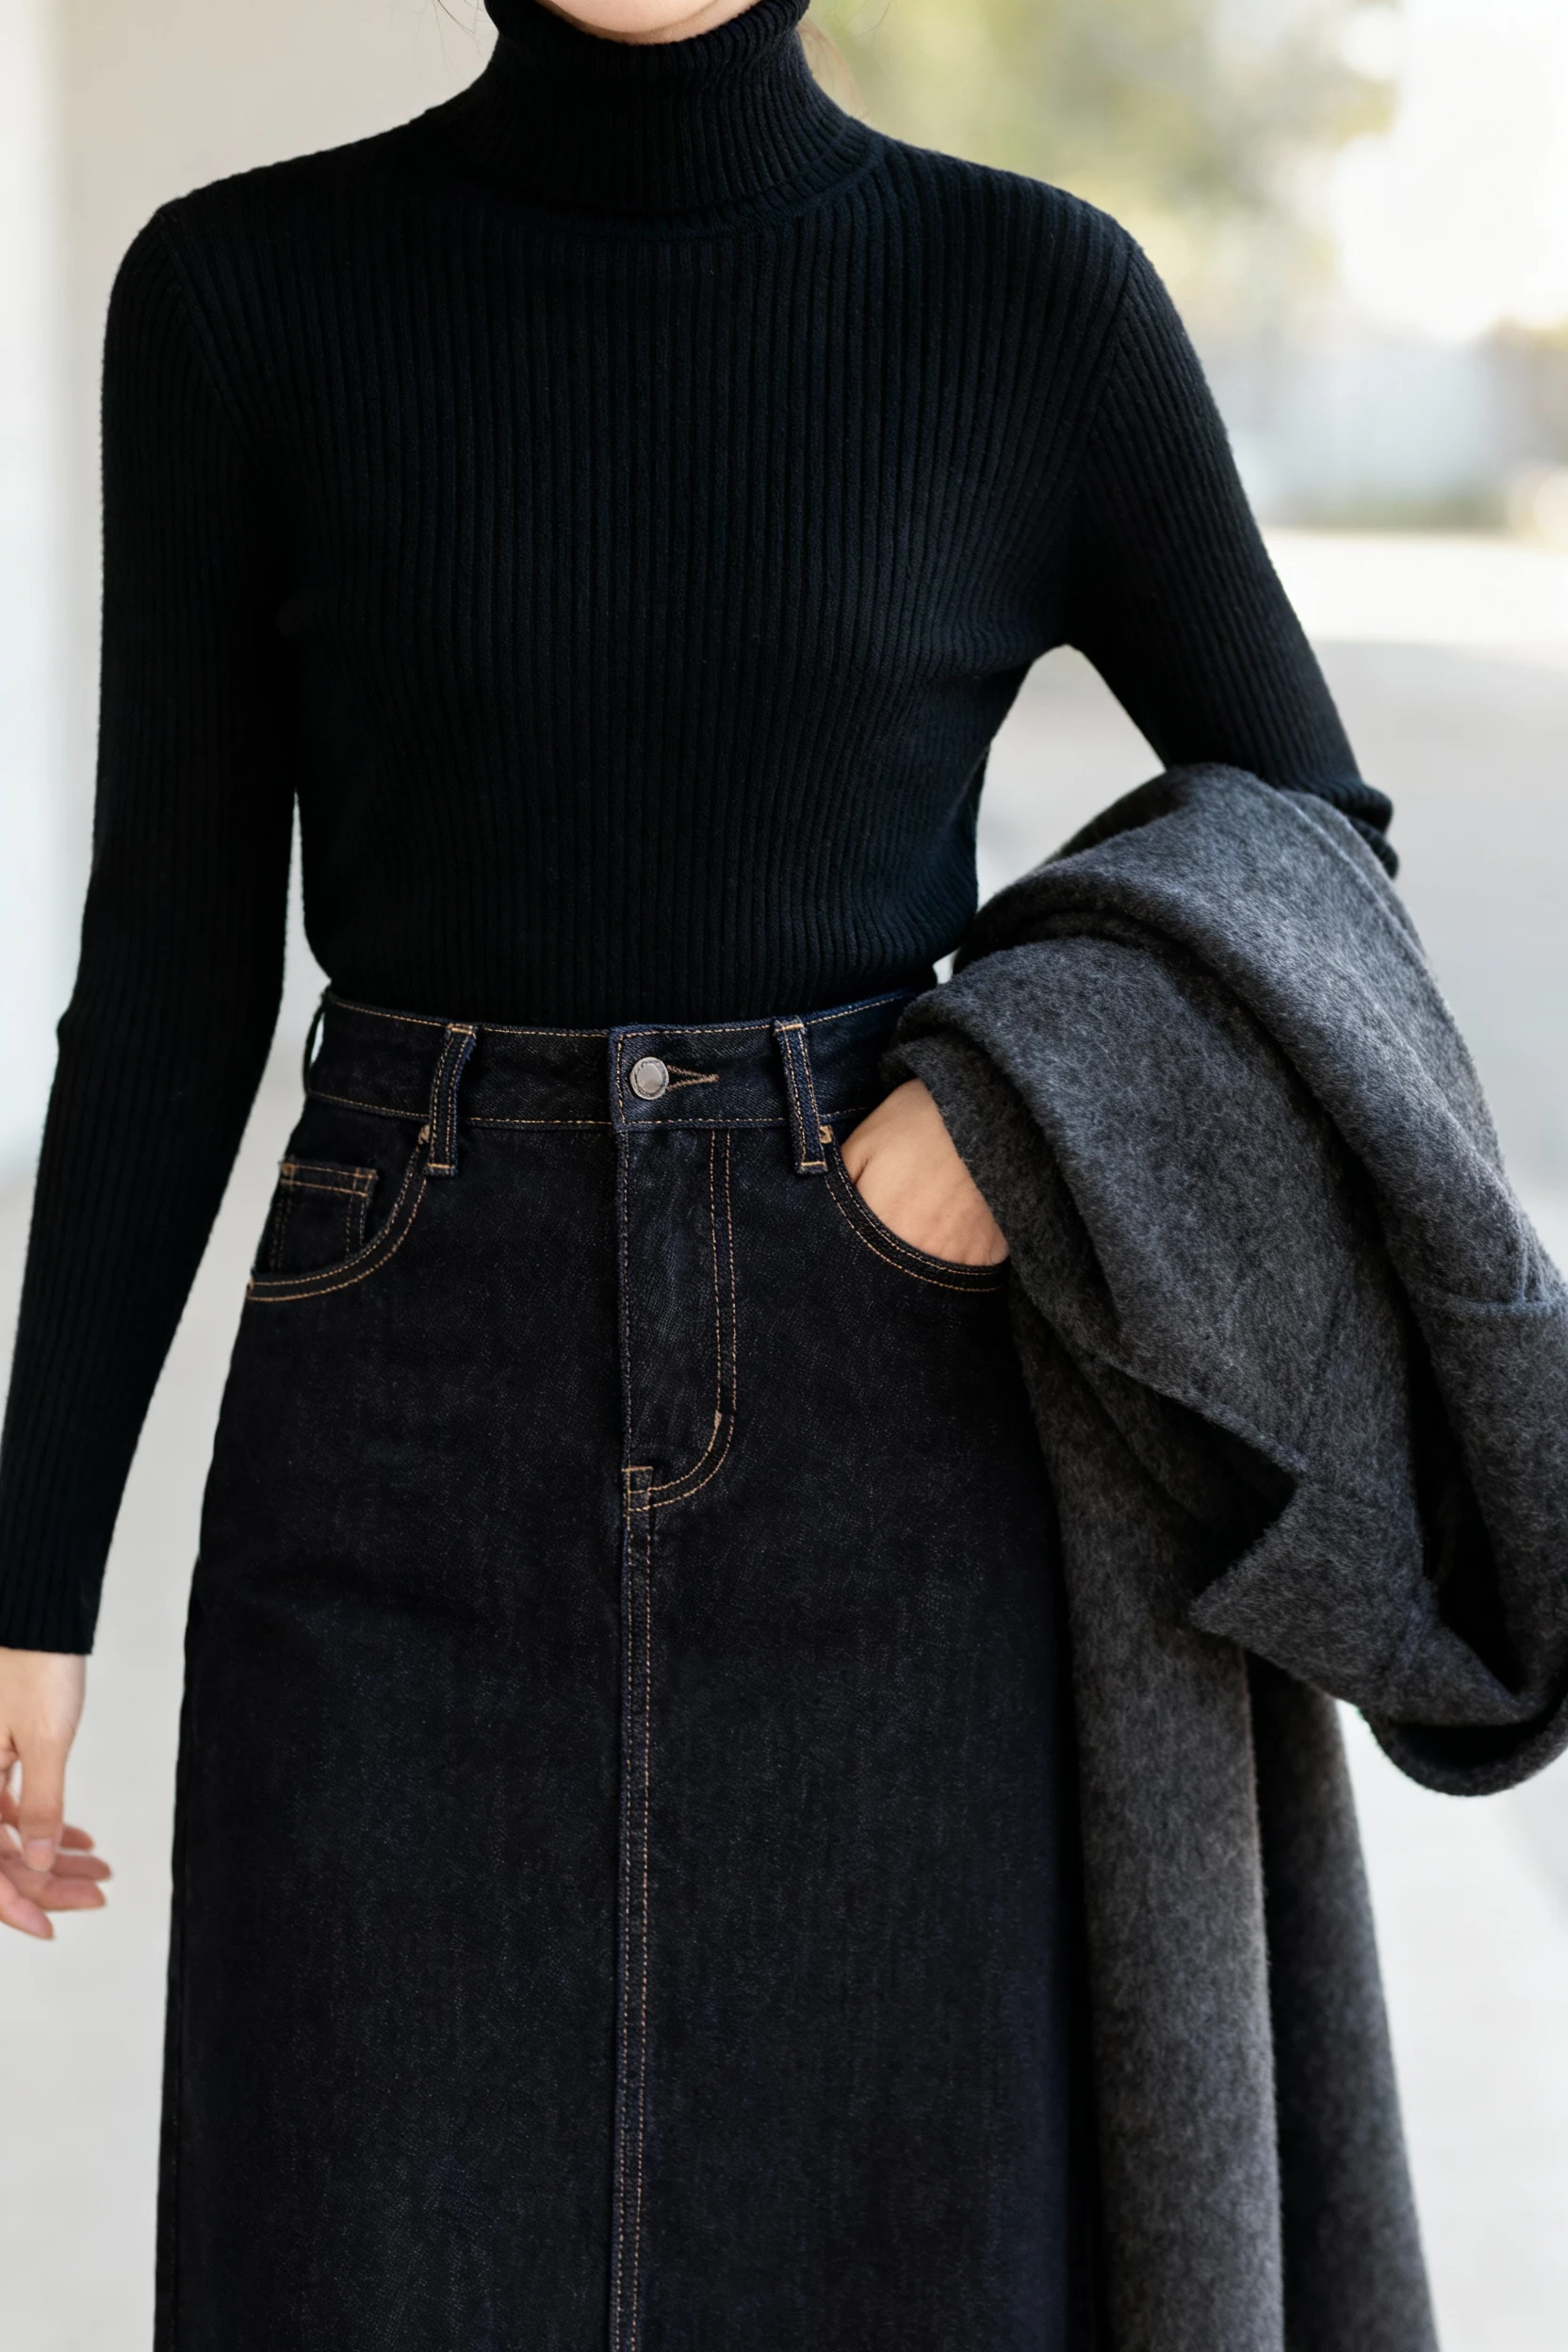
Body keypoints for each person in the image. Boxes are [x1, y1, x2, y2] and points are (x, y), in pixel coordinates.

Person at [0, 0, 1392, 2342]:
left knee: (901, 2270)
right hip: (393, 1418)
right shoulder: (240, 290)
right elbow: (164, 979)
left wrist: (1005, 1099)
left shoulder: (1028, 295)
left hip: (905, 1453)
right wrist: (32, 1573)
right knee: (356, 2259)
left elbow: (1308, 849)